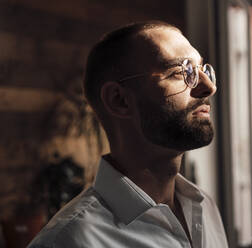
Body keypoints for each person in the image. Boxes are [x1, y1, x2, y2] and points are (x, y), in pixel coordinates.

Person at [27, 21, 228, 248]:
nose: (209, 87)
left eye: (202, 69)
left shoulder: (204, 207)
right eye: (182, 72)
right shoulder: (68, 240)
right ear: (119, 100)